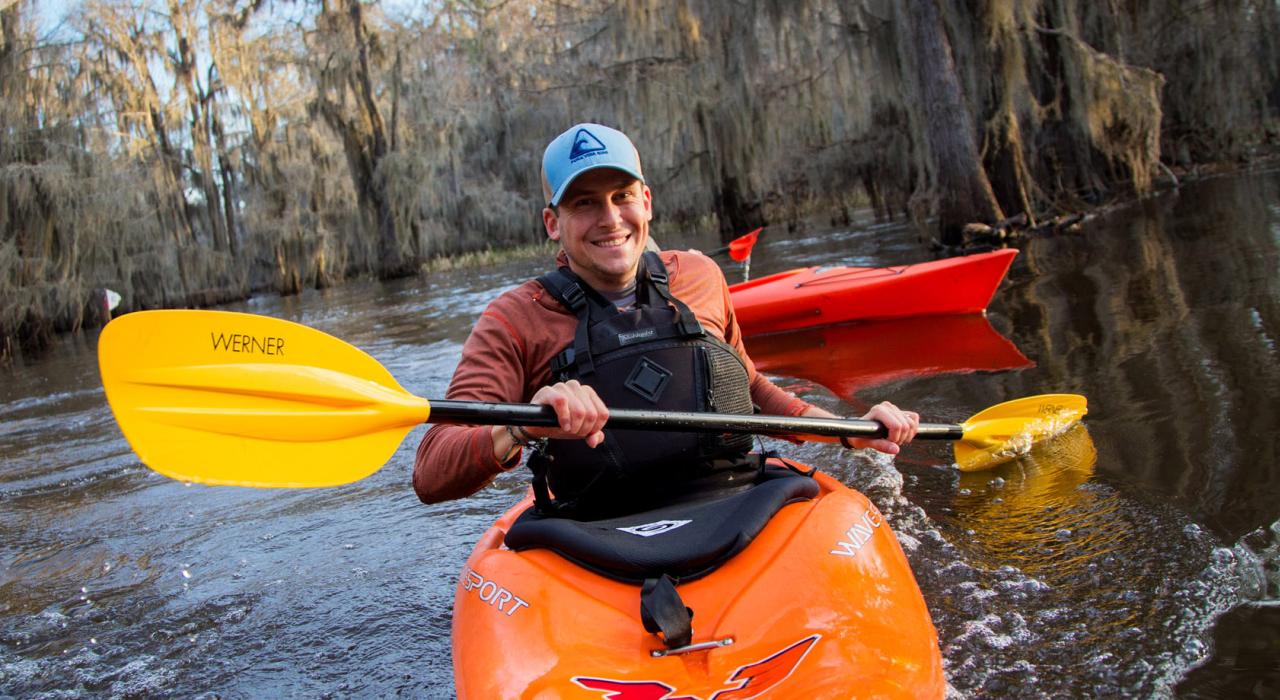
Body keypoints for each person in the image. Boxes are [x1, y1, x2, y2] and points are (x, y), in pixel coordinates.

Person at [413, 123, 918, 516]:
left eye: (621, 196)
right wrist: (527, 425)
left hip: (736, 502)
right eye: (584, 203)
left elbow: (752, 390)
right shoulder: (516, 319)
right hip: (596, 528)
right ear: (553, 223)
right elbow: (433, 469)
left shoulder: (698, 275)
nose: (610, 219)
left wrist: (851, 429)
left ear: (646, 202)